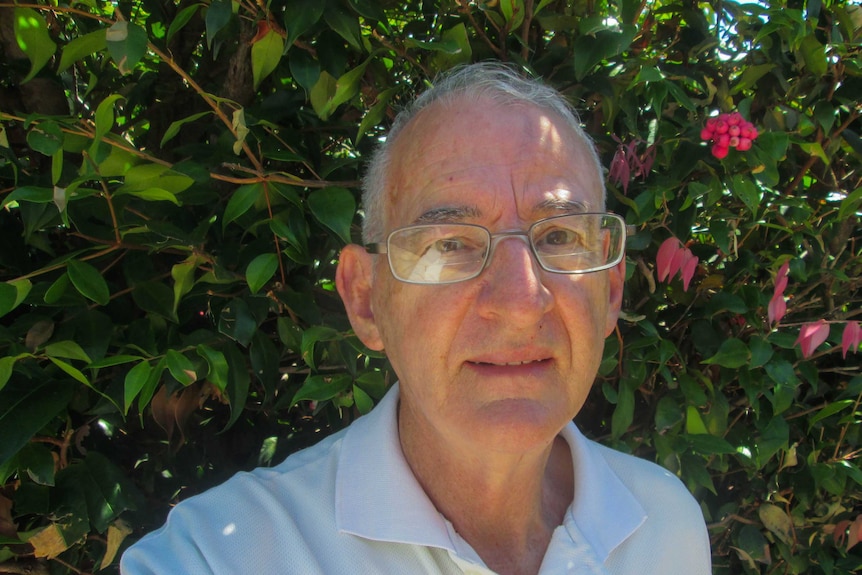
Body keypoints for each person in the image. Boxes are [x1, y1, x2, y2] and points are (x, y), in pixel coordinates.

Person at [120, 62, 712, 575]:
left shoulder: (665, 527)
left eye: (558, 236)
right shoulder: (220, 556)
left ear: (610, 293)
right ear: (366, 300)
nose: (520, 300)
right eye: (450, 243)